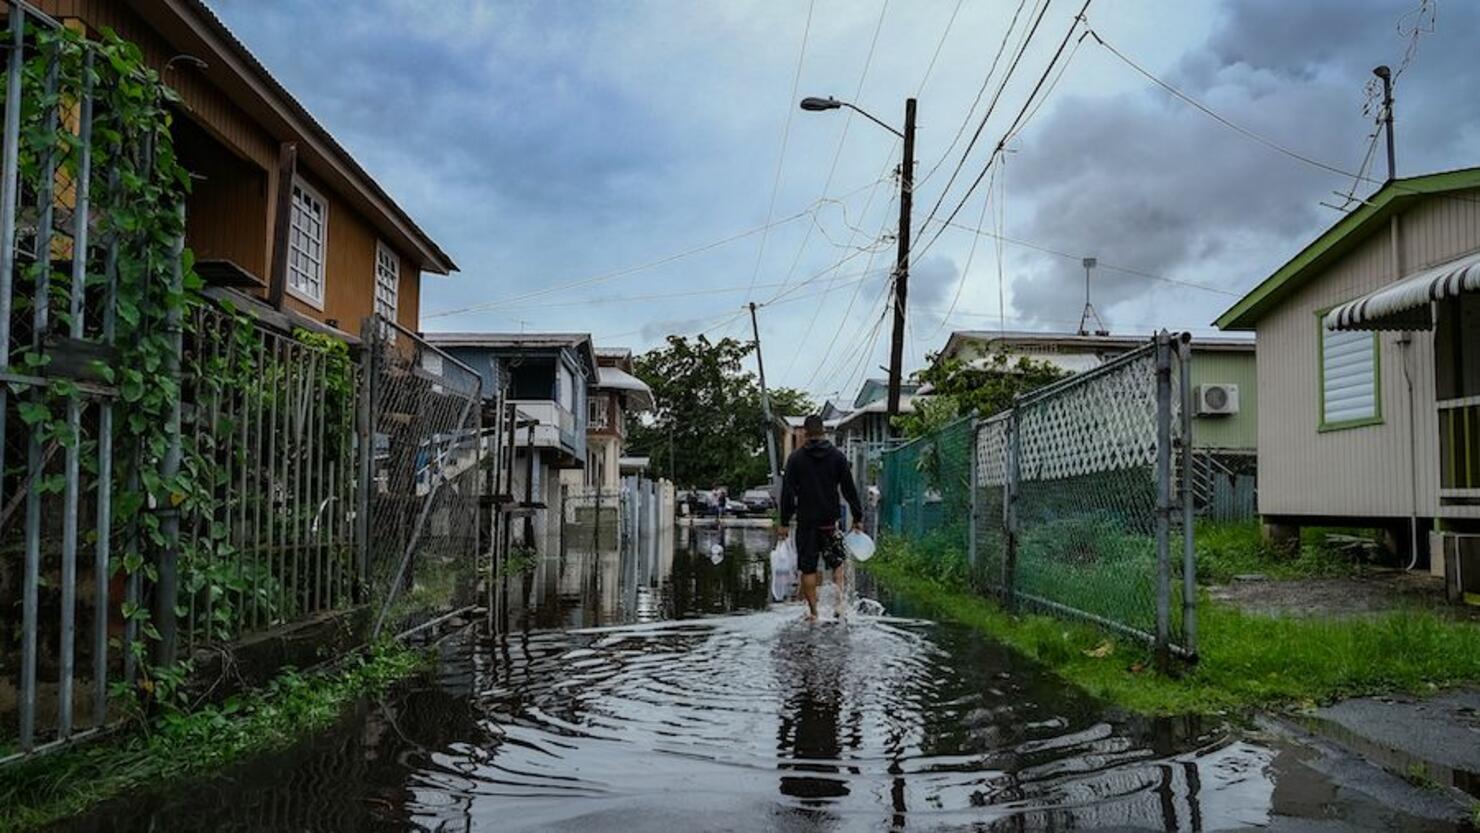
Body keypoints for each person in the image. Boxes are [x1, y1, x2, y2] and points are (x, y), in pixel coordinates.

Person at [779, 415, 863, 622]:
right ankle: (839, 605)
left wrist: (783, 521)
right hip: (830, 522)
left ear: (805, 433)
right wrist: (857, 516)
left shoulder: (796, 459)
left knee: (807, 568)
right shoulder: (837, 457)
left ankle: (814, 613)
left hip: (806, 522)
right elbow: (849, 488)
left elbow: (788, 493)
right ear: (823, 431)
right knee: (837, 563)